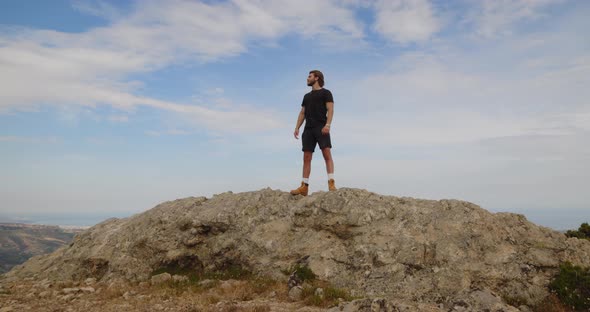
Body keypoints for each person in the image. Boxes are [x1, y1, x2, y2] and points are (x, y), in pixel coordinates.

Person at [290, 70, 336, 196]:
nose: (307, 79)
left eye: (309, 76)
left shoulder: (326, 93)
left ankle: (331, 183)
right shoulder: (306, 96)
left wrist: (328, 125)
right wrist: (297, 127)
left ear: (316, 78)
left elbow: (330, 109)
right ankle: (304, 187)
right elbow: (302, 113)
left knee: (327, 154)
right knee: (306, 158)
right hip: (308, 129)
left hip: (321, 127)